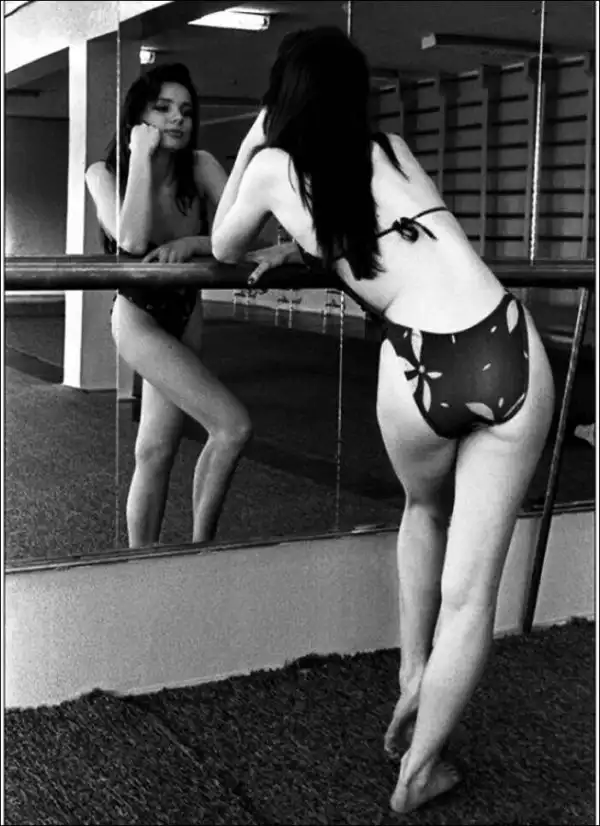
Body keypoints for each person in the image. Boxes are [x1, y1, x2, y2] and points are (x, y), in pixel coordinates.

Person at [211, 27, 555, 814]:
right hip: (507, 342)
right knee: (472, 594)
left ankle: (411, 671)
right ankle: (420, 770)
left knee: (422, 510)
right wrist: (311, 249)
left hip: (418, 361)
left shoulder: (271, 168)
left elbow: (227, 244)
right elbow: (409, 234)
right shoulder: (393, 149)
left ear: (282, 97)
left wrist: (255, 143)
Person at [86, 63, 253, 547]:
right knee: (231, 426)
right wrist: (140, 153)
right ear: (138, 117)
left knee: (156, 451)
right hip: (137, 315)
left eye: (186, 111)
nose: (178, 118)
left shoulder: (200, 165)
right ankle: (199, 551)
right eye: (163, 109)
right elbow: (131, 239)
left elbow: (246, 233)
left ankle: (149, 561)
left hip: (186, 312)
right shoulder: (103, 174)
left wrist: (195, 244)